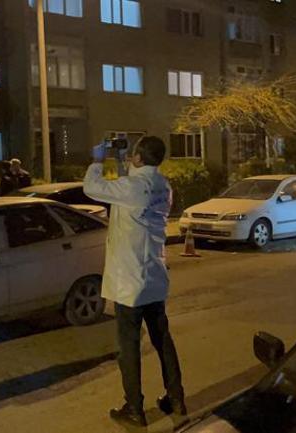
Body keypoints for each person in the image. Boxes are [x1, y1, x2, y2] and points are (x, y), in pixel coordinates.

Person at [83, 136, 185, 427]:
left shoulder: (132, 188)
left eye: (133, 154)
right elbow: (127, 187)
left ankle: (134, 409)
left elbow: (92, 187)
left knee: (128, 349)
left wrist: (98, 160)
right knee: (162, 340)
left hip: (130, 283)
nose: (130, 158)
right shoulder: (162, 186)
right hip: (154, 277)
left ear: (139, 157)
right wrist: (118, 160)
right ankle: (176, 398)